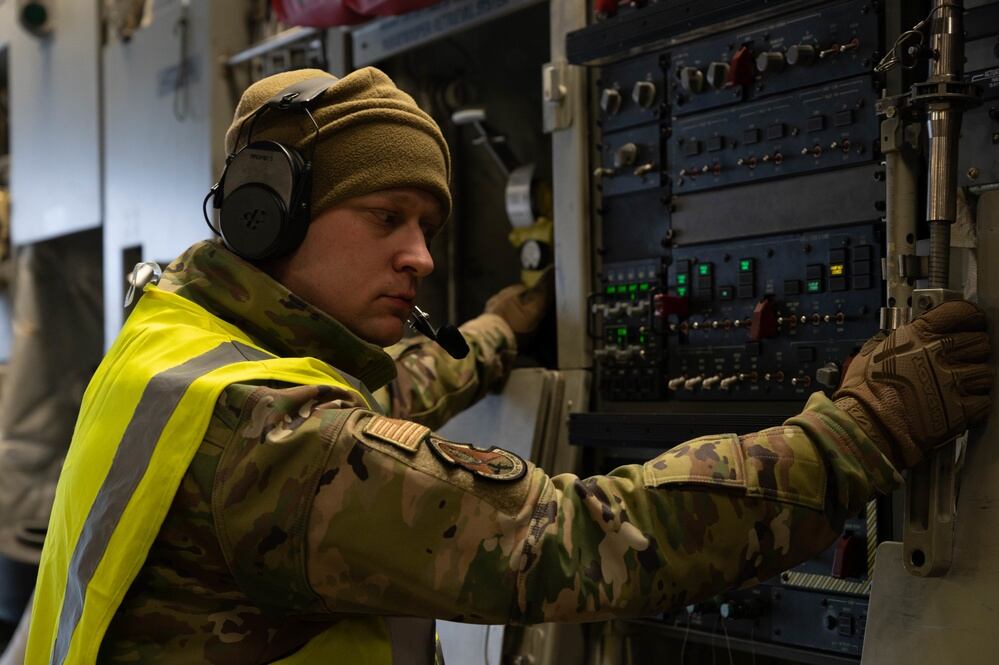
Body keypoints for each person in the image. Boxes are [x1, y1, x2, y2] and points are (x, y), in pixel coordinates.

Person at [25, 67, 992, 664]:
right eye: (387, 218)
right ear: (264, 218)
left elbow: (386, 392)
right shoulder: (278, 442)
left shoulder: (179, 343)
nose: (421, 257)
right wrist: (861, 432)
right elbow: (582, 539)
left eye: (430, 227)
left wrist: (495, 331)